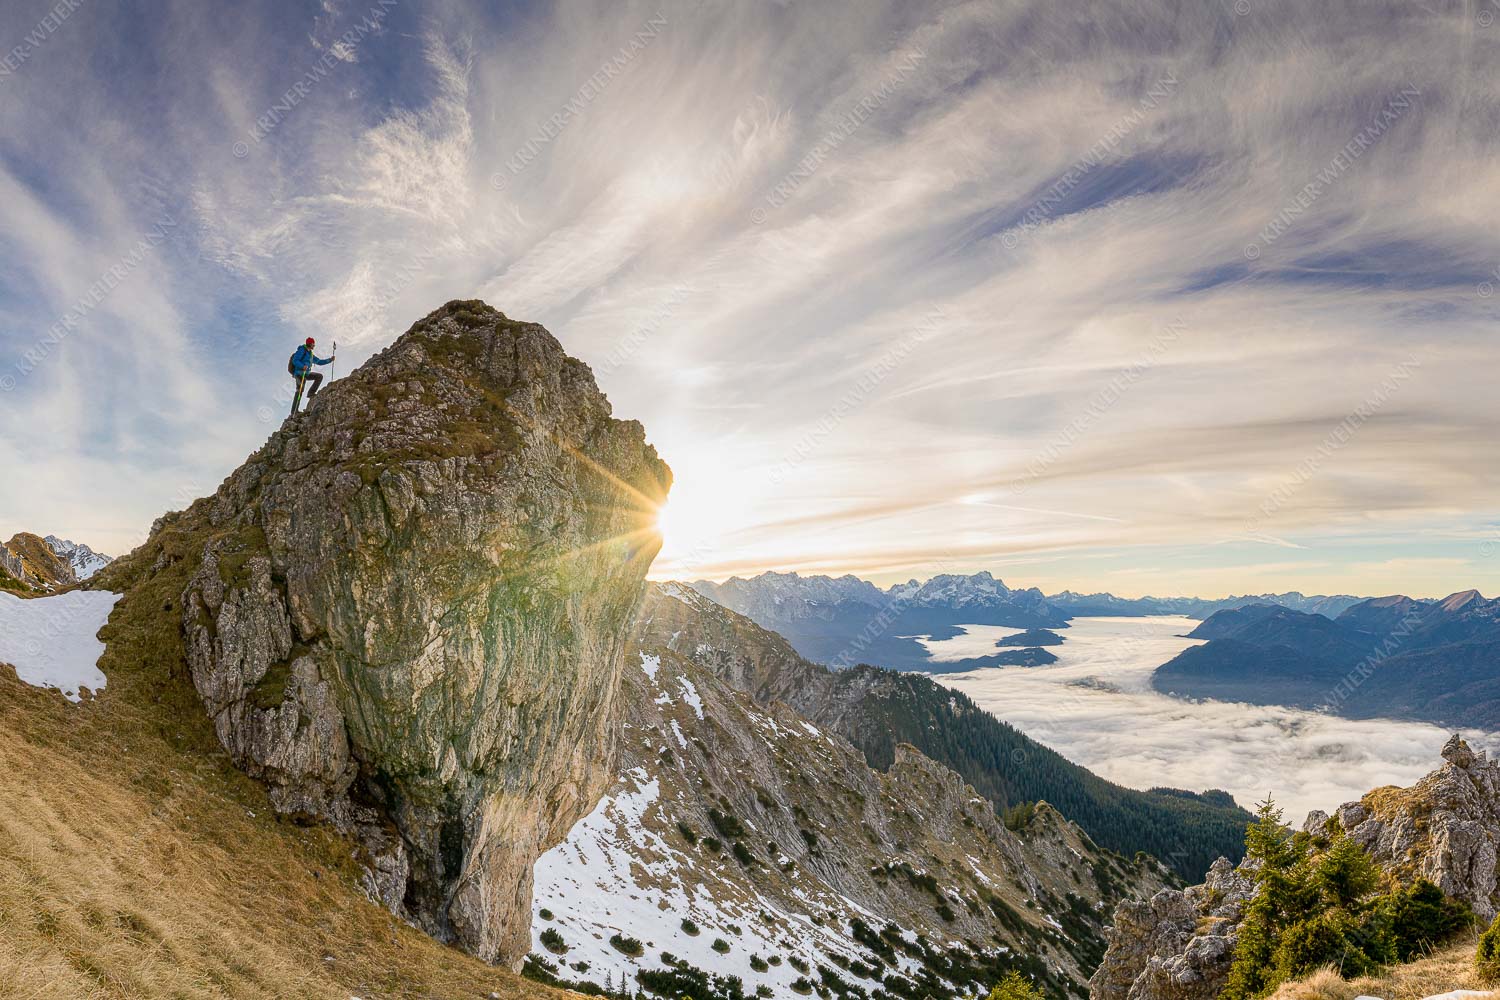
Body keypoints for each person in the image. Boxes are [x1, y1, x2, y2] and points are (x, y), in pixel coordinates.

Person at [288, 337, 334, 411]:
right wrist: (302, 366)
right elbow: (295, 360)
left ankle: (311, 393)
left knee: (319, 376)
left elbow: (319, 362)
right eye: (313, 344)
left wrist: (330, 360)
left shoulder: (311, 355)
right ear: (309, 343)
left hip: (306, 373)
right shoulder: (302, 350)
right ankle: (294, 411)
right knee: (300, 390)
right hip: (299, 373)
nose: (314, 345)